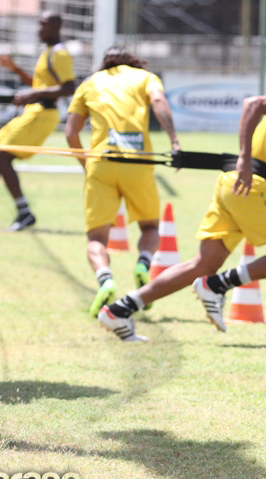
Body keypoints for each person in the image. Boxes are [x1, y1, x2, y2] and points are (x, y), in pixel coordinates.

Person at [98, 48, 266, 341]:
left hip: (235, 186)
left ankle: (118, 311)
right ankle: (218, 285)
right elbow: (253, 105)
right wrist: (244, 159)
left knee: (201, 265)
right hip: (250, 186)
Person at [64, 47, 181, 318]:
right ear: (134, 62)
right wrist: (174, 140)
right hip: (138, 163)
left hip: (100, 164)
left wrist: (87, 165)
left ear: (104, 63)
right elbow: (160, 102)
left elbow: (71, 132)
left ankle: (105, 279)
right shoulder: (145, 77)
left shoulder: (90, 82)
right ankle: (143, 264)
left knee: (96, 238)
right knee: (150, 226)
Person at [0, 11, 75, 231]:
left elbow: (69, 87)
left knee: (1, 157)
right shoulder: (48, 52)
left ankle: (24, 212)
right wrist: (16, 70)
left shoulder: (60, 53)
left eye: (43, 24)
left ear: (56, 27)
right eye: (39, 24)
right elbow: (39, 84)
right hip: (34, 111)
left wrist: (33, 94)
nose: (39, 28)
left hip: (43, 114)